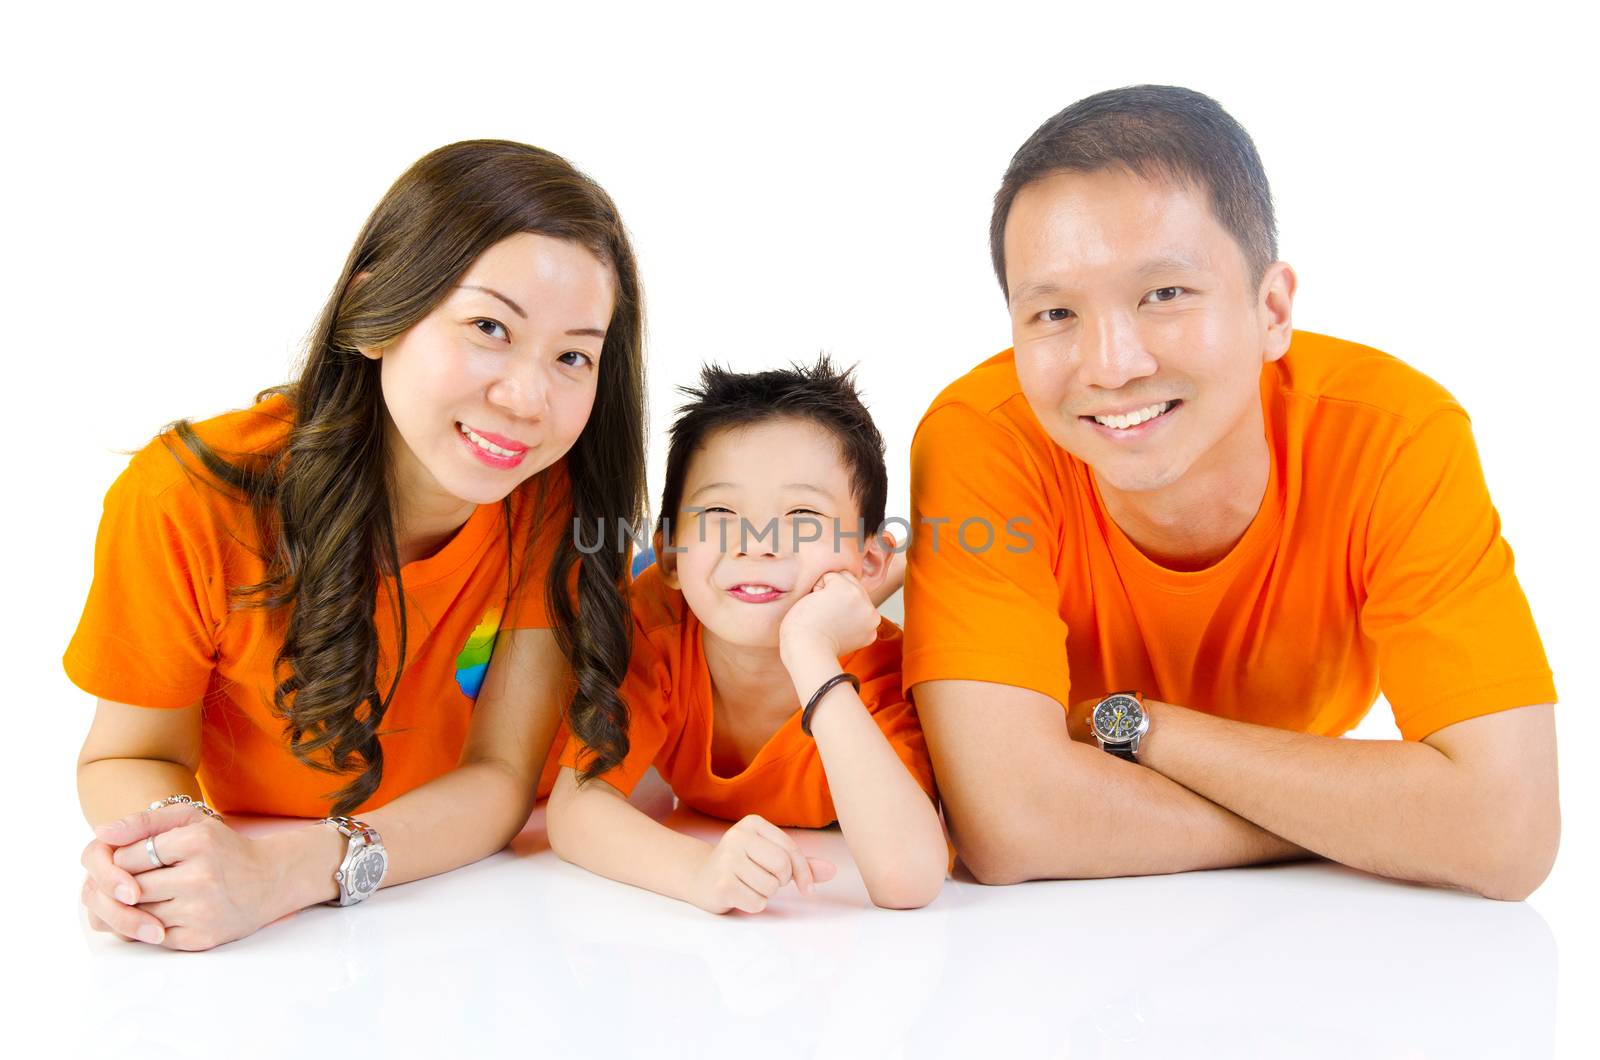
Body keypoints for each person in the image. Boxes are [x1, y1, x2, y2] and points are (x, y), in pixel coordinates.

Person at [904, 86, 1559, 899]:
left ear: (1272, 308)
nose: (1111, 365)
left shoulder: (1394, 436)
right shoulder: (983, 438)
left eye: (1164, 295)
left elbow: (1508, 829)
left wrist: (1142, 731)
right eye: (1054, 313)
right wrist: (1370, 821)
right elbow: (1009, 827)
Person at [68, 140, 647, 950]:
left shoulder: (554, 502)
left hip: (498, 884)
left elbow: (501, 779)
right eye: (489, 326)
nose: (527, 399)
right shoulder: (186, 500)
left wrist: (295, 872)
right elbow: (125, 756)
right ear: (377, 314)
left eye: (573, 356)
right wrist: (178, 858)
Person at [548, 358, 946, 913]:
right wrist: (699, 871)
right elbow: (577, 807)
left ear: (871, 560)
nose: (757, 543)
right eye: (719, 510)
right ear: (667, 555)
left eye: (803, 514)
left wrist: (810, 651)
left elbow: (909, 879)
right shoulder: (655, 626)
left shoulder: (883, 676)